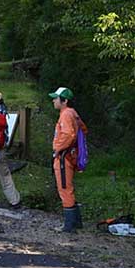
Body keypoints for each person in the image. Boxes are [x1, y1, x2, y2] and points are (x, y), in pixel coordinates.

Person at [49, 87, 88, 233]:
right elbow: (83, 129)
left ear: (64, 100)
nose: (53, 100)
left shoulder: (66, 114)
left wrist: (57, 148)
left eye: (56, 98)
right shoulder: (73, 113)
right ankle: (76, 223)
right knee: (68, 188)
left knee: (65, 188)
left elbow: (69, 135)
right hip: (70, 156)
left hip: (64, 157)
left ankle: (69, 226)